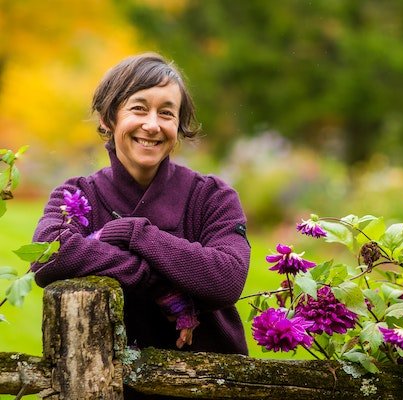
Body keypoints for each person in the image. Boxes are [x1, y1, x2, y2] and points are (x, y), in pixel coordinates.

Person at [31, 53, 251, 398]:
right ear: (108, 118)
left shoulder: (212, 197)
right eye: (138, 108)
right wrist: (156, 282)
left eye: (166, 113)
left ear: (178, 126)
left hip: (207, 385)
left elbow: (226, 279)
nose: (152, 124)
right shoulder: (77, 195)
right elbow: (48, 255)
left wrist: (135, 233)